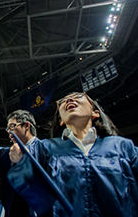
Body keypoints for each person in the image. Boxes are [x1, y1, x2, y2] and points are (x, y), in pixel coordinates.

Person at [8, 92, 138, 216]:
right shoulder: (46, 149)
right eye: (63, 101)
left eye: (77, 96)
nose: (69, 100)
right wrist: (20, 161)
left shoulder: (123, 147)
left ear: (95, 113)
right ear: (61, 121)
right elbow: (31, 191)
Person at [0, 110, 39, 217]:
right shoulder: (3, 153)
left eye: (12, 126)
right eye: (8, 128)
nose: (9, 131)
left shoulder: (44, 150)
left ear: (26, 125)